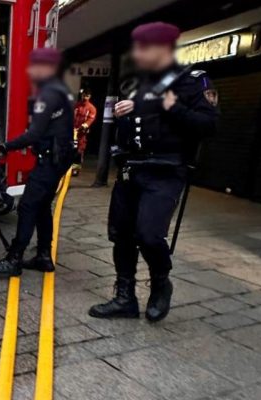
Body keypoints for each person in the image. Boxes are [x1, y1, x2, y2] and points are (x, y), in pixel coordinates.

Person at [89, 22, 217, 322]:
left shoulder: (191, 81)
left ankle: (161, 283)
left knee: (148, 234)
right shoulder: (136, 84)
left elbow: (208, 125)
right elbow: (129, 132)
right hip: (132, 169)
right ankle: (125, 298)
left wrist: (169, 106)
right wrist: (122, 119)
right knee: (121, 235)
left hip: (165, 170)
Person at [0, 48, 75, 277]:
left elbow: (33, 134)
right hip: (57, 159)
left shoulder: (49, 94)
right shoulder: (59, 91)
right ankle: (44, 256)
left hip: (49, 162)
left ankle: (14, 259)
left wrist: (0, 149)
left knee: (27, 206)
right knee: (42, 206)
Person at [72, 89, 97, 176]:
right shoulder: (76, 105)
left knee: (79, 151)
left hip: (81, 133)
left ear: (90, 96)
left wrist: (84, 126)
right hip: (71, 131)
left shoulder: (91, 108)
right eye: (84, 95)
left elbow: (90, 119)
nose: (85, 97)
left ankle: (75, 169)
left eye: (87, 95)